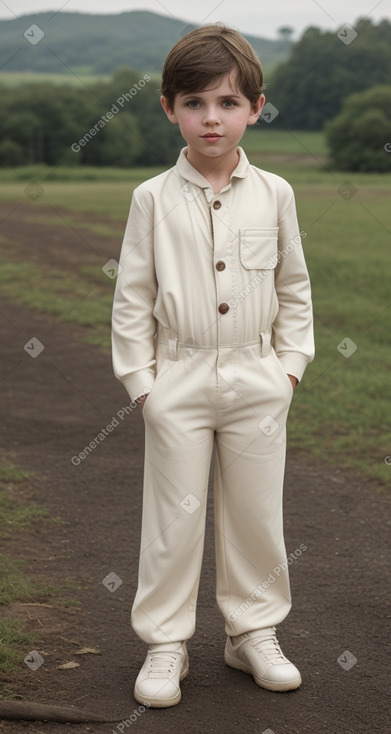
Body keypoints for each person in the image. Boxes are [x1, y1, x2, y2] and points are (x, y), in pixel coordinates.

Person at [111, 22, 315, 708]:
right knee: (174, 517)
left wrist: (287, 369)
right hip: (179, 378)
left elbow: (294, 288)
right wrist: (145, 388)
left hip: (259, 378)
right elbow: (131, 299)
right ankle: (165, 644)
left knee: (257, 515)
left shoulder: (275, 193)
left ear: (255, 108)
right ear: (168, 107)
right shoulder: (151, 198)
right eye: (194, 102)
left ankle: (251, 632)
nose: (210, 117)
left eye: (227, 103)